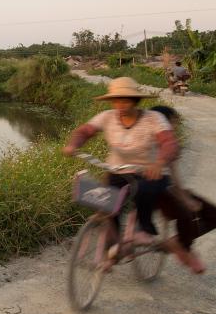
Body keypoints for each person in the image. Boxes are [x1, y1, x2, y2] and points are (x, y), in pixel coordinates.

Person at [61, 77, 202, 272]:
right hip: (117, 170)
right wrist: (73, 145)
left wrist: (159, 162)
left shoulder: (154, 119)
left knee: (146, 189)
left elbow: (169, 143)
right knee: (108, 207)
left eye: (126, 100)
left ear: (136, 101)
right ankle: (113, 252)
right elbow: (85, 131)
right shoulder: (107, 117)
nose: (120, 105)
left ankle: (144, 229)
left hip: (149, 171)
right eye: (116, 100)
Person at [151, 105, 216, 273]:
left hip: (161, 188)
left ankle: (179, 242)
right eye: (173, 122)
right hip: (160, 191)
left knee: (212, 214)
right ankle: (181, 245)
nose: (175, 127)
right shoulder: (162, 142)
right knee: (199, 214)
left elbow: (174, 176)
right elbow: (173, 178)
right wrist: (185, 198)